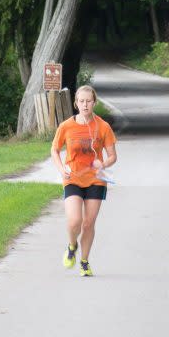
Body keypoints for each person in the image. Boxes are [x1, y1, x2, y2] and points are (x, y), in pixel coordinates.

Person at [50, 84, 117, 277]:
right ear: (76, 103)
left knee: (88, 223)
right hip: (72, 178)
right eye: (81, 101)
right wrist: (62, 169)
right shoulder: (66, 126)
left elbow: (113, 155)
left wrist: (102, 165)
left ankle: (85, 262)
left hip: (96, 180)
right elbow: (54, 150)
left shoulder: (103, 127)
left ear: (94, 102)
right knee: (74, 221)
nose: (85, 105)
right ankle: (72, 246)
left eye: (88, 101)